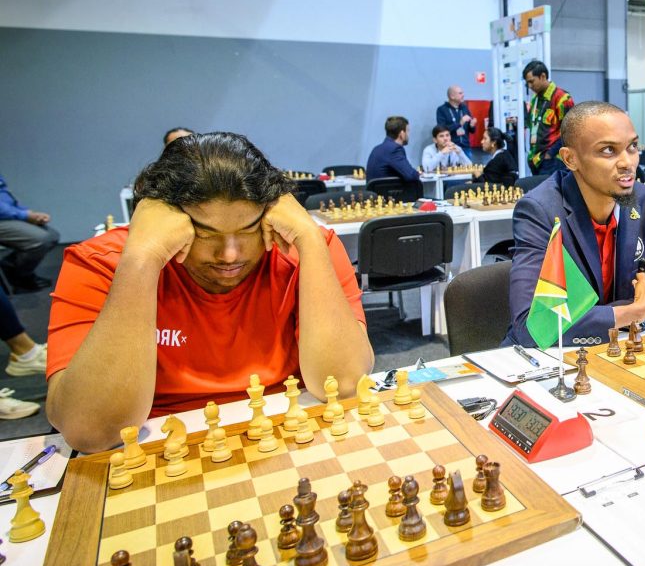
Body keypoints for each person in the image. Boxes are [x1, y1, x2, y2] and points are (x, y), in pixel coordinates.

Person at [46, 133, 373, 452]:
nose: (230, 254)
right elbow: (90, 432)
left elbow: (344, 385)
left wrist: (309, 238)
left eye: (248, 230)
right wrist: (143, 259)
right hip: (155, 450)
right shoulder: (100, 263)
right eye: (205, 234)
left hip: (290, 439)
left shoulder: (308, 248)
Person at [505, 101, 645, 348]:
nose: (628, 162)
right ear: (570, 159)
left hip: (618, 349)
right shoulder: (540, 211)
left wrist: (601, 315)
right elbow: (531, 326)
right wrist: (634, 312)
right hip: (549, 360)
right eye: (608, 150)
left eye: (633, 147)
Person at [0, 172, 58, 292]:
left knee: (52, 236)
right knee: (40, 239)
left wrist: (28, 212)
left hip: (6, 215)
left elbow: (6, 198)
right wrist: (26, 215)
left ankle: (11, 268)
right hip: (3, 217)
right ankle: (18, 277)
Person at [523, 60, 574, 175]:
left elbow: (570, 131)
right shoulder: (535, 100)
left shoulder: (562, 98)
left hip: (552, 160)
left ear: (543, 76)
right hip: (536, 159)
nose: (530, 86)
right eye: (527, 83)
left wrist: (550, 154)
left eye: (532, 82)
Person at [365, 116, 420, 182]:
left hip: (375, 191)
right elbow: (411, 175)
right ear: (402, 134)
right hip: (388, 191)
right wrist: (418, 173)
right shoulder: (395, 150)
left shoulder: (376, 149)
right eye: (407, 131)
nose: (408, 134)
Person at [436, 85, 477, 153]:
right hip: (450, 148)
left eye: (463, 93)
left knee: (468, 164)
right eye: (460, 93)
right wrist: (459, 124)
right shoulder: (442, 110)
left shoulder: (465, 108)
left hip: (466, 148)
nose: (463, 95)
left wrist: (472, 125)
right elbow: (441, 130)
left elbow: (472, 131)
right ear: (452, 96)